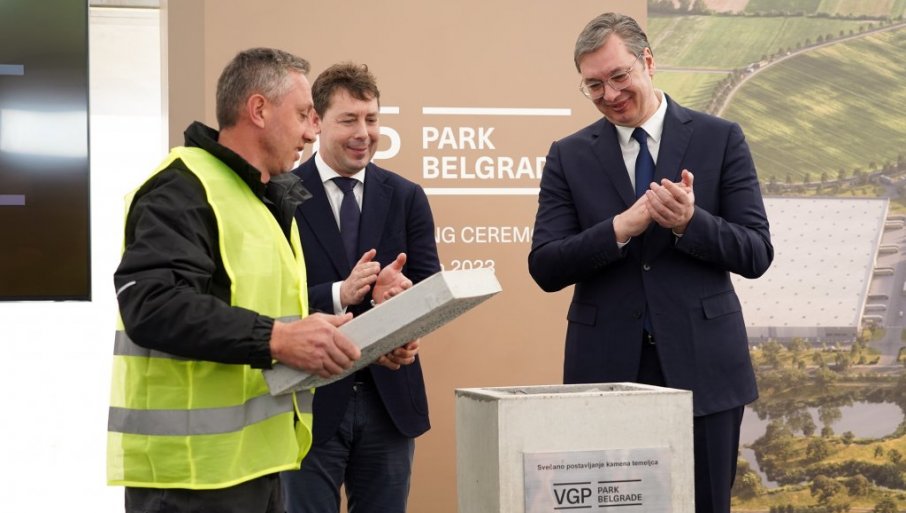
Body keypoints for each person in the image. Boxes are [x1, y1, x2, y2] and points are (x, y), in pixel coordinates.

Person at [528, 13, 773, 513]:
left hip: (705, 369)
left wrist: (689, 222)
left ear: (648, 62)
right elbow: (546, 266)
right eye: (594, 85)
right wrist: (620, 228)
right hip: (605, 372)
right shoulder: (568, 155)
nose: (610, 94)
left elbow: (756, 252)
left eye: (619, 76)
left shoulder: (720, 138)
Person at [107, 48, 364, 513]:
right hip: (190, 480)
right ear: (259, 110)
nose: (312, 131)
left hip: (256, 467)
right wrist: (277, 338)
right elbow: (153, 305)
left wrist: (321, 334)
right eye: (303, 114)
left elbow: (258, 309)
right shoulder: (181, 189)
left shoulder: (264, 199)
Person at [280, 62, 441, 513]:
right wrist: (340, 293)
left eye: (371, 119)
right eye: (349, 120)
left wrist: (400, 304)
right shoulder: (280, 195)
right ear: (316, 121)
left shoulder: (406, 196)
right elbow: (270, 297)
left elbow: (430, 288)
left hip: (389, 402)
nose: (363, 133)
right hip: (309, 399)